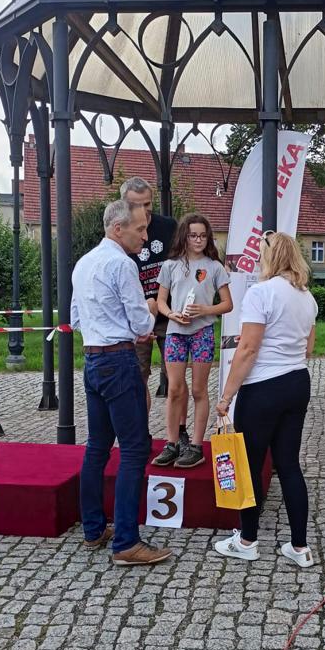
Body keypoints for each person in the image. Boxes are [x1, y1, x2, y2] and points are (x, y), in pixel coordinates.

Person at [71, 199, 172, 567]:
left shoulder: (84, 263)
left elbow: (75, 318)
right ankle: (127, 542)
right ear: (118, 229)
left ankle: (93, 528)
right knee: (134, 448)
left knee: (97, 446)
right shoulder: (122, 264)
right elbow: (143, 324)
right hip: (118, 359)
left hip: (92, 359)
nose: (145, 237)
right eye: (139, 229)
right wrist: (149, 310)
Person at [213, 231, 318, 567]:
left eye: (261, 253)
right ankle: (300, 547)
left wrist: (226, 396)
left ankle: (247, 540)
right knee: (288, 464)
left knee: (250, 465)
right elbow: (309, 347)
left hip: (263, 387)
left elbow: (247, 349)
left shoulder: (261, 293)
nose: (258, 258)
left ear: (270, 257)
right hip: (297, 381)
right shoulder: (307, 297)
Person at [155, 213, 232, 468]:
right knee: (174, 388)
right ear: (184, 237)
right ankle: (172, 442)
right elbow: (161, 301)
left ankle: (197, 446)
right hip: (175, 332)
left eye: (203, 235)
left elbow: (227, 304)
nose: (198, 240)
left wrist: (205, 310)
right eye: (193, 235)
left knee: (199, 390)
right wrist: (171, 314)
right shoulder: (170, 266)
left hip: (202, 333)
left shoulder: (214, 267)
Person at [120, 177, 189, 448]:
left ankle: (180, 432)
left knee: (176, 377)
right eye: (135, 204)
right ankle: (140, 434)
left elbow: (187, 260)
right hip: (136, 316)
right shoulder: (120, 230)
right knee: (138, 379)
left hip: (169, 314)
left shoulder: (168, 226)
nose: (143, 210)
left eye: (147, 204)